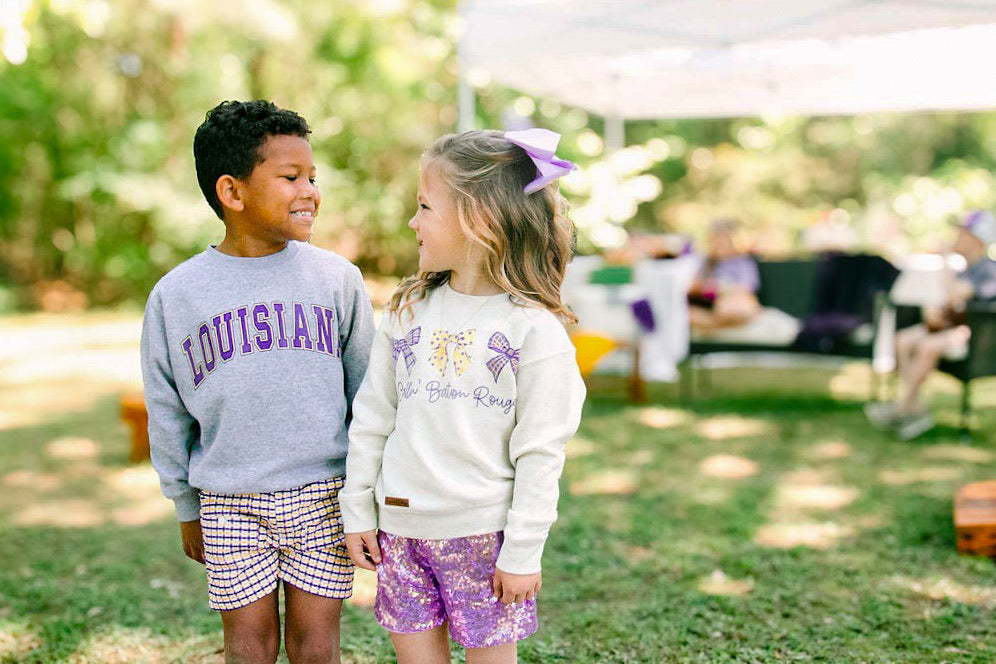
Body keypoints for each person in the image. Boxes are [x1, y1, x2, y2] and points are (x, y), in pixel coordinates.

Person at [339, 128, 586, 664]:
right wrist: (358, 506)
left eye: (425, 207)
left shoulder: (534, 331)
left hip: (485, 535)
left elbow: (541, 451)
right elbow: (372, 418)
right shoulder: (406, 313)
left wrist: (522, 552)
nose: (412, 222)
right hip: (400, 533)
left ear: (481, 222)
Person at [140, 100, 374, 664]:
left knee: (317, 645)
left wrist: (365, 495)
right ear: (233, 192)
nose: (310, 191)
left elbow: (368, 399)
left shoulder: (337, 280)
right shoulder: (178, 295)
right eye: (291, 177)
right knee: (248, 646)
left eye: (313, 177)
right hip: (228, 499)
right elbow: (166, 409)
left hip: (324, 494)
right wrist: (185, 504)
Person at [866, 210, 996, 440]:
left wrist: (945, 260)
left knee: (927, 346)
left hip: (980, 340)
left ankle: (904, 407)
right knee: (903, 340)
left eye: (962, 232)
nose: (956, 236)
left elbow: (957, 297)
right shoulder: (967, 269)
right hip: (955, 330)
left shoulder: (988, 270)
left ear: (977, 239)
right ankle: (913, 406)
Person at [687, 218, 762, 333]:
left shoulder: (742, 262)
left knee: (733, 307)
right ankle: (715, 325)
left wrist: (721, 288)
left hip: (732, 304)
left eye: (724, 239)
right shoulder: (706, 262)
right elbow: (692, 287)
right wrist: (709, 290)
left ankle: (712, 325)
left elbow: (746, 288)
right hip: (709, 305)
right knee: (689, 315)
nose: (720, 243)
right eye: (716, 238)